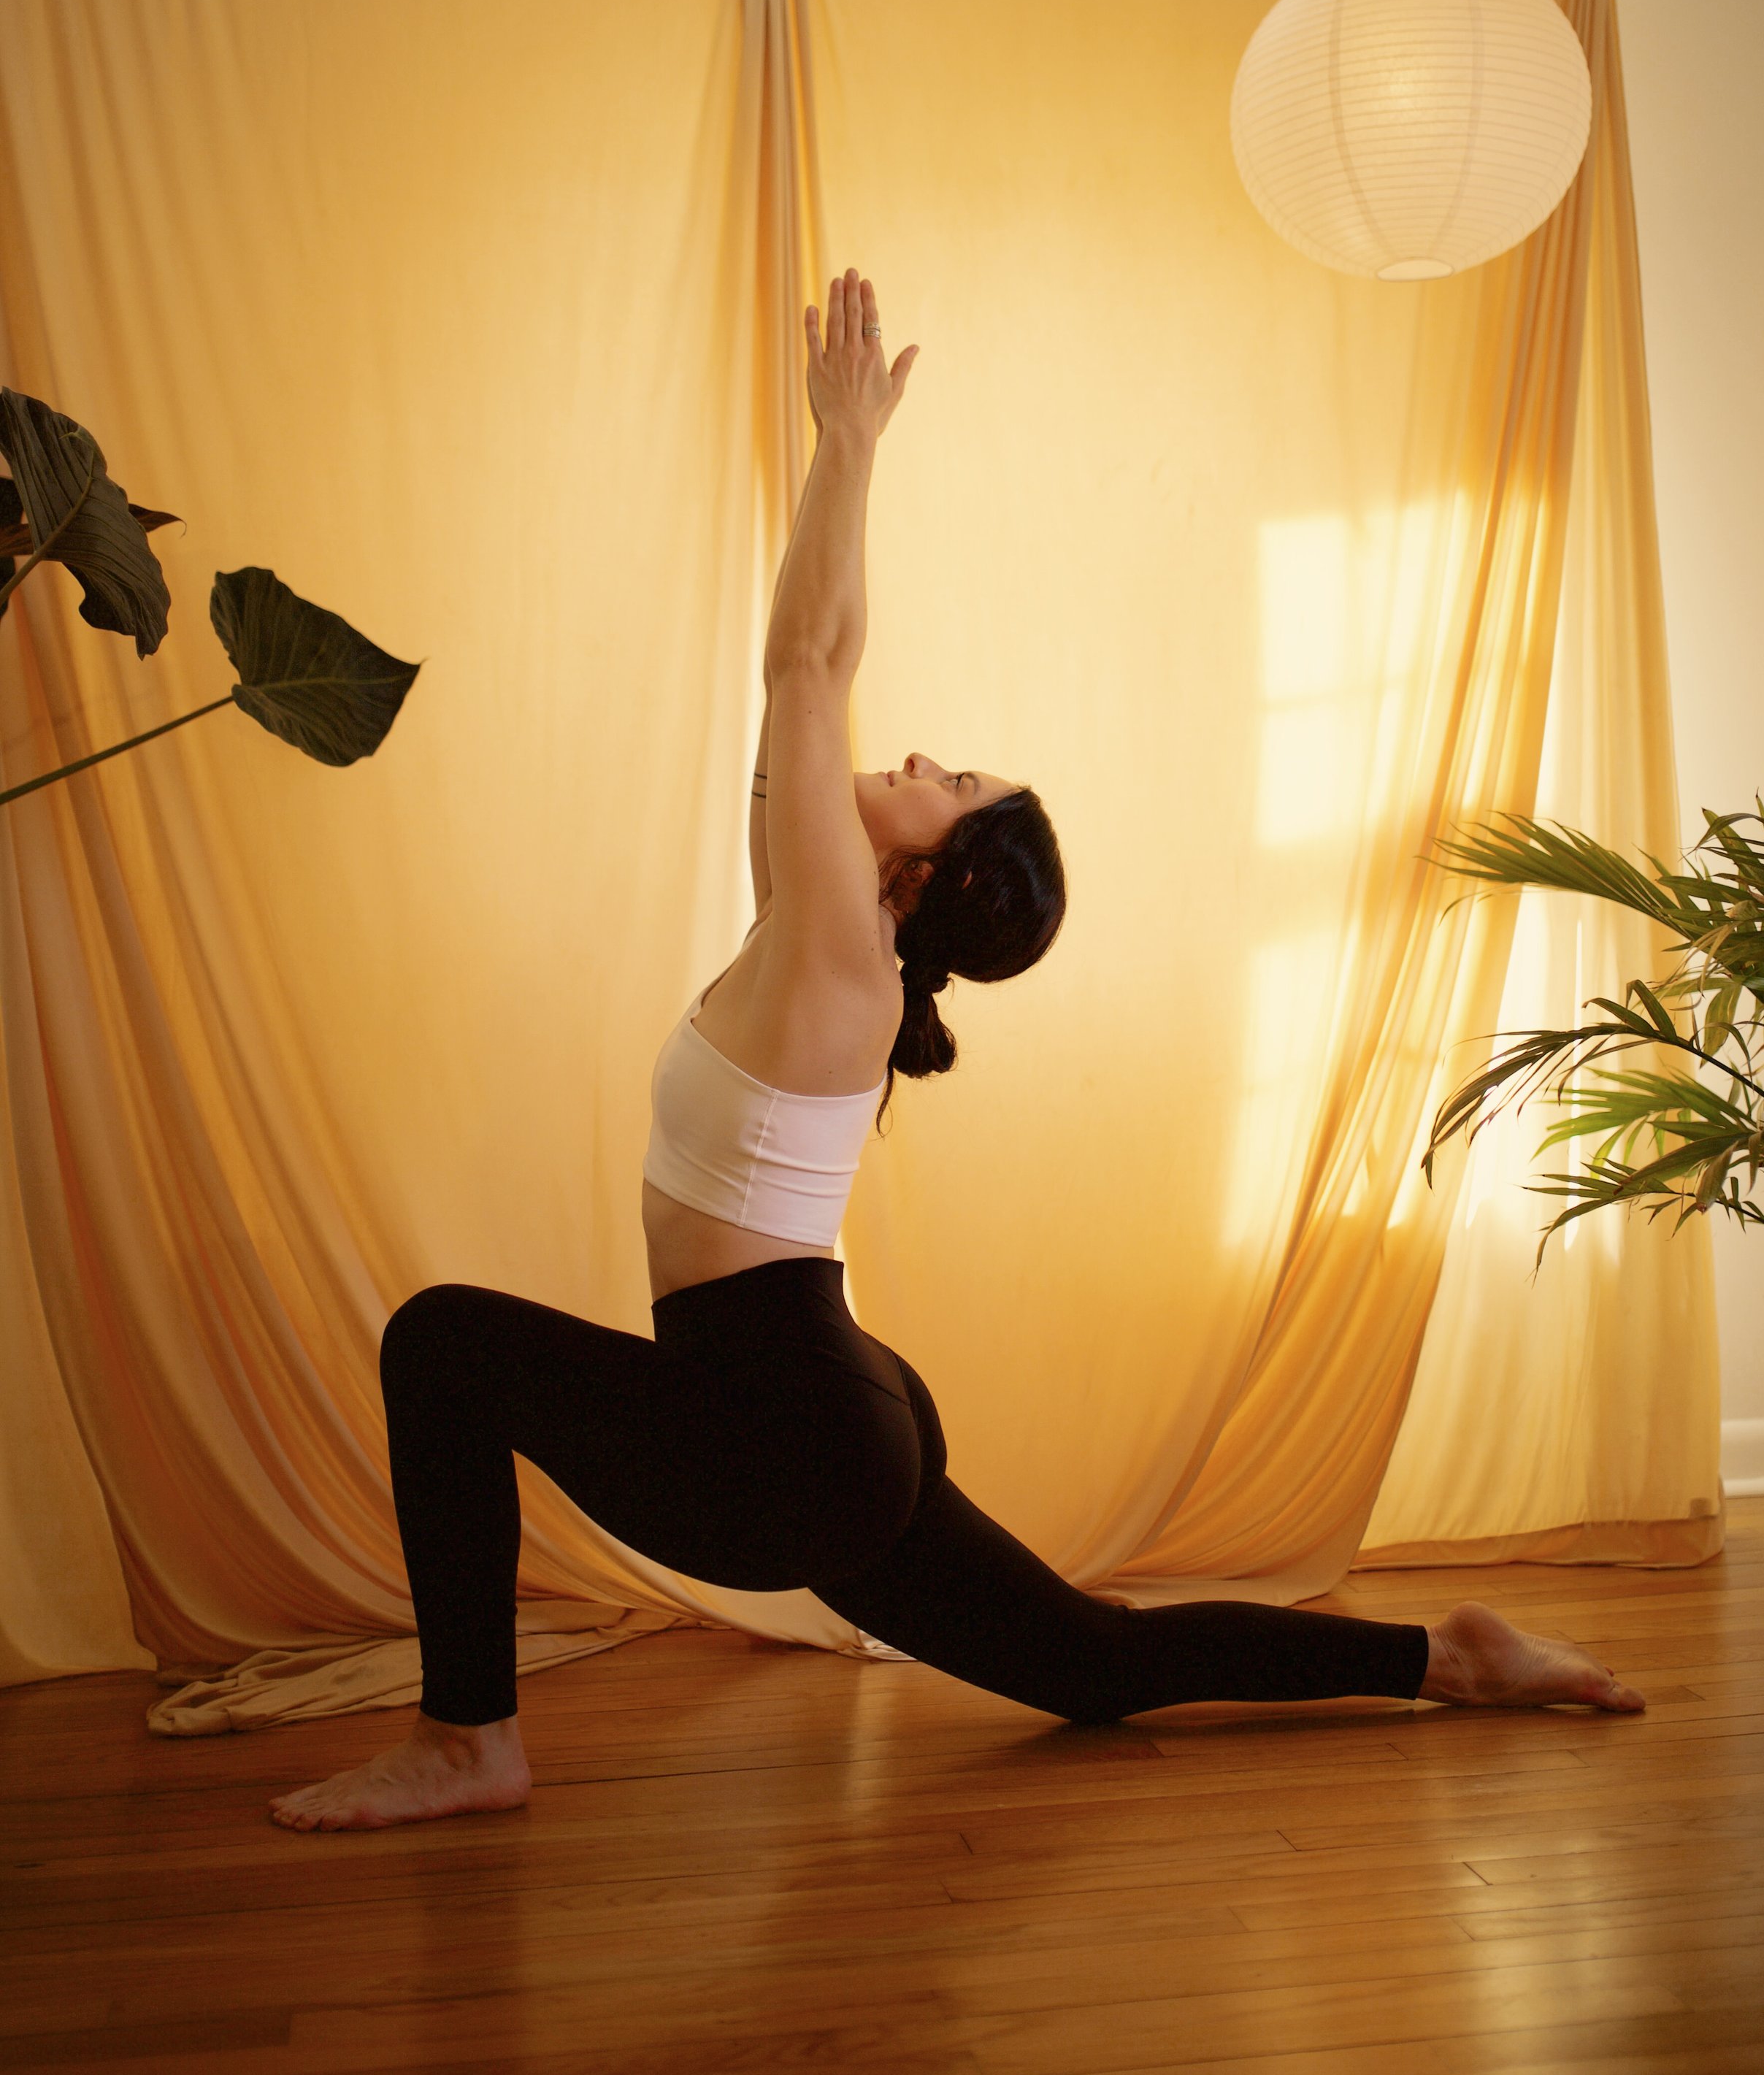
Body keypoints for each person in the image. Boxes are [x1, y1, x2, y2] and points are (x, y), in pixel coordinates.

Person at [271, 269, 1644, 1832]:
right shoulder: (809, 930)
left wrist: (847, 444)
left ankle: (469, 1739)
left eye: (950, 777)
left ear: (936, 877)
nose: (915, 754)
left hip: (783, 1431)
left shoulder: (841, 968)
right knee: (1091, 1665)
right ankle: (1441, 1659)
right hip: (815, 1403)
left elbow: (805, 667)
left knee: (442, 1342)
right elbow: (807, 684)